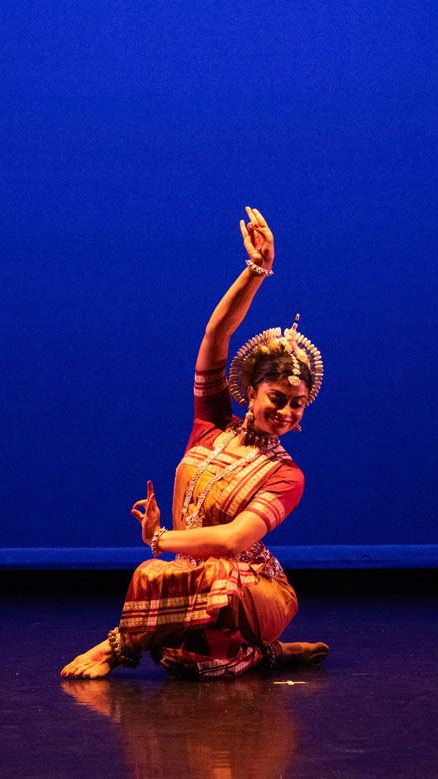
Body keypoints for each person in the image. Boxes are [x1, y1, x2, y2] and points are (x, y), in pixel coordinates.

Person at [62, 207, 330, 679]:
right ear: (251, 392)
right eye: (277, 398)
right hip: (190, 579)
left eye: (298, 404)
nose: (286, 411)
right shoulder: (211, 424)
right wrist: (257, 270)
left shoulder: (287, 475)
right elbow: (216, 333)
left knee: (218, 577)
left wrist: (160, 539)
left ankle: (117, 647)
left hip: (251, 588)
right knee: (156, 588)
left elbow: (231, 540)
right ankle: (267, 654)